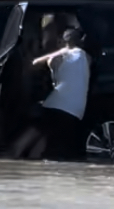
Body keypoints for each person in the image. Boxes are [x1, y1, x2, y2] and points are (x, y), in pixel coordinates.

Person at [19, 29, 91, 160]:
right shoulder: (87, 57)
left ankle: (20, 156)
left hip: (56, 106)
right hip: (77, 111)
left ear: (63, 42)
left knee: (38, 135)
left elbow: (34, 64)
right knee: (62, 149)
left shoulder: (57, 57)